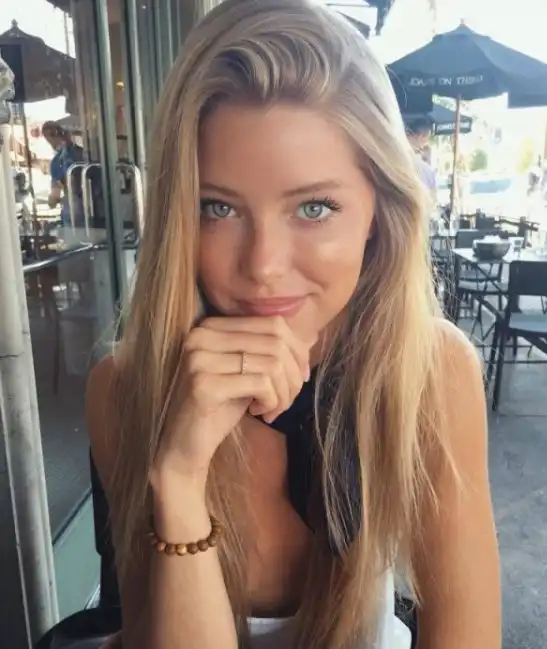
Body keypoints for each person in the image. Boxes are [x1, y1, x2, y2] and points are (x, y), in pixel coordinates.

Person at [86, 2, 500, 649]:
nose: (263, 268)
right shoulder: (123, 386)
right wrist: (180, 479)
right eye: (217, 207)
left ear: (379, 213)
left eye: (314, 207)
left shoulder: (431, 372)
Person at [42, 120, 85, 226]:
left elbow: (55, 196)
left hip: (74, 211)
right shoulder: (83, 153)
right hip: (96, 207)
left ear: (49, 137)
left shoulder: (58, 161)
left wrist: (51, 202)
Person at [406, 117, 438, 207]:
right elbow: (432, 201)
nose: (427, 143)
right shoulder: (425, 169)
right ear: (420, 136)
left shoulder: (394, 153)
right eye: (427, 138)